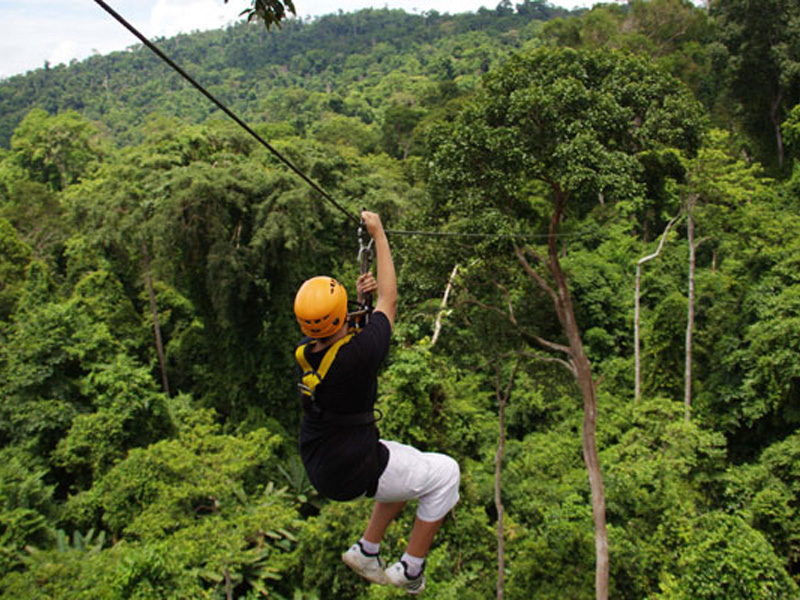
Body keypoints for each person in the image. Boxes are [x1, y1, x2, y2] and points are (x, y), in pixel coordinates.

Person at [292, 210, 460, 594]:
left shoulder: (306, 350)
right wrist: (379, 235)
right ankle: (411, 569)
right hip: (353, 467)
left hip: (323, 459)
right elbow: (390, 299)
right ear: (339, 317)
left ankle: (367, 549)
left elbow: (347, 326)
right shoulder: (360, 354)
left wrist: (360, 300)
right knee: (446, 473)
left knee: (404, 464)